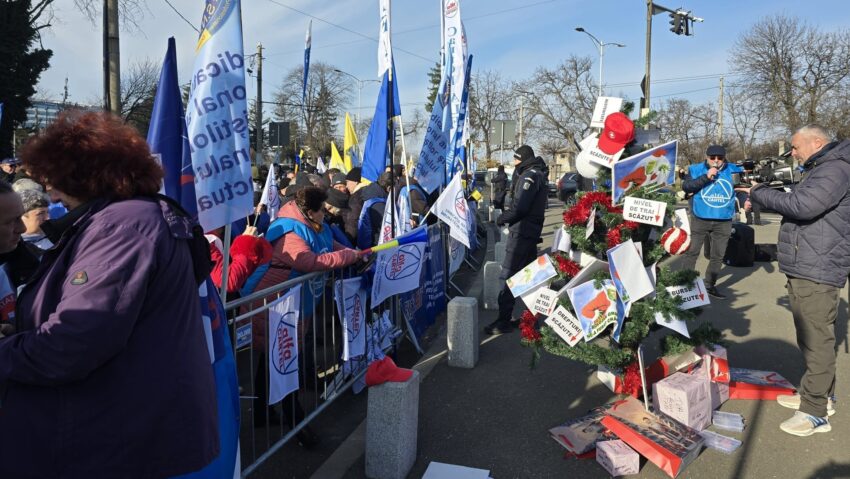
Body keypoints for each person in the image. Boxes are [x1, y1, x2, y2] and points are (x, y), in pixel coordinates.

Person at [0, 111, 218, 477]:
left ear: (85, 176)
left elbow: (73, 343)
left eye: (56, 179)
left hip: (114, 435)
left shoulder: (122, 227)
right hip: (125, 425)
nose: (51, 193)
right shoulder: (134, 218)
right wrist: (22, 334)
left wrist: (8, 351)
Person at [743, 125, 850, 437]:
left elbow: (803, 206)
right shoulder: (823, 168)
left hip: (817, 267)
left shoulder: (834, 170)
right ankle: (818, 396)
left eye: (795, 146)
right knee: (811, 337)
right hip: (810, 263)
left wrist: (759, 192)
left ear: (816, 142)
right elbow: (801, 201)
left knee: (817, 341)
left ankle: (815, 412)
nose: (792, 152)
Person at [249, 187, 361, 443]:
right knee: (284, 362)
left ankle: (262, 414)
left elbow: (330, 247)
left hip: (291, 303)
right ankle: (297, 425)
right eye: (322, 210)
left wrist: (353, 254)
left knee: (270, 361)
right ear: (309, 212)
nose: (326, 213)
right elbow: (308, 261)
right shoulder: (289, 230)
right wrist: (347, 256)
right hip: (275, 304)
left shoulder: (314, 226)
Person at [486, 145, 549, 334]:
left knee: (508, 276)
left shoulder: (529, 176)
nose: (513, 162)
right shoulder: (538, 174)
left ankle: (503, 321)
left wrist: (502, 218)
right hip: (530, 233)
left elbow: (520, 207)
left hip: (522, 233)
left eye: (515, 158)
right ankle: (531, 320)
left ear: (522, 159)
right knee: (530, 279)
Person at [679, 145, 743, 299]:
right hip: (700, 217)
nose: (716, 161)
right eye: (712, 157)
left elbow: (740, 189)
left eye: (720, 158)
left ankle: (709, 285)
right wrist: (706, 176)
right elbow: (687, 186)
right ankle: (683, 286)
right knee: (692, 252)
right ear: (706, 157)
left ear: (724, 157)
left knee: (717, 255)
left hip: (724, 219)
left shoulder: (734, 169)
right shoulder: (695, 169)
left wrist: (745, 201)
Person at [0, 180, 30, 339]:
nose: (23, 229)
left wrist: (14, 330)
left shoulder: (23, 258)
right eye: (12, 221)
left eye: (21, 217)